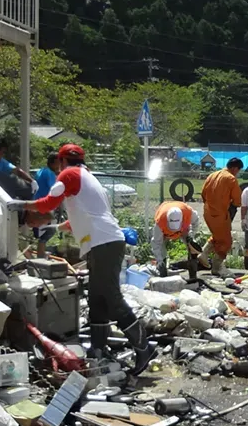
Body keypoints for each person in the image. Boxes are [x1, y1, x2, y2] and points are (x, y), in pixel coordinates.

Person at [23, 144, 154, 373]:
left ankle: (143, 347)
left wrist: (23, 205)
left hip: (104, 243)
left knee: (111, 298)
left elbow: (49, 203)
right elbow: (81, 216)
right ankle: (98, 349)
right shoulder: (87, 177)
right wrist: (59, 226)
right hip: (102, 242)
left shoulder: (69, 174)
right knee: (97, 299)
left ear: (63, 160)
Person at [201, 157, 243, 275]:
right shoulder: (231, 179)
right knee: (226, 241)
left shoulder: (212, 175)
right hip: (220, 214)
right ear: (235, 168)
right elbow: (237, 200)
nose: (237, 173)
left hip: (208, 212)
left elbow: (203, 193)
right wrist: (233, 205)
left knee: (218, 236)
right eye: (238, 170)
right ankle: (216, 266)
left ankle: (204, 253)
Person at [151, 200, 209, 279]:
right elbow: (156, 243)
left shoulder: (188, 213)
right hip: (165, 233)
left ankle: (193, 275)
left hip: (183, 229)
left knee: (192, 246)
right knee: (161, 250)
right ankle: (162, 273)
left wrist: (191, 234)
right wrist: (159, 260)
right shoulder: (160, 222)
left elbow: (196, 222)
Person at [30, 152, 60, 258]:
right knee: (48, 231)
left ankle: (40, 253)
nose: (60, 165)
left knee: (43, 231)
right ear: (52, 163)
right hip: (44, 206)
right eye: (58, 162)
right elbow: (56, 190)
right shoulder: (49, 174)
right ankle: (40, 255)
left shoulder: (42, 171)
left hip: (38, 204)